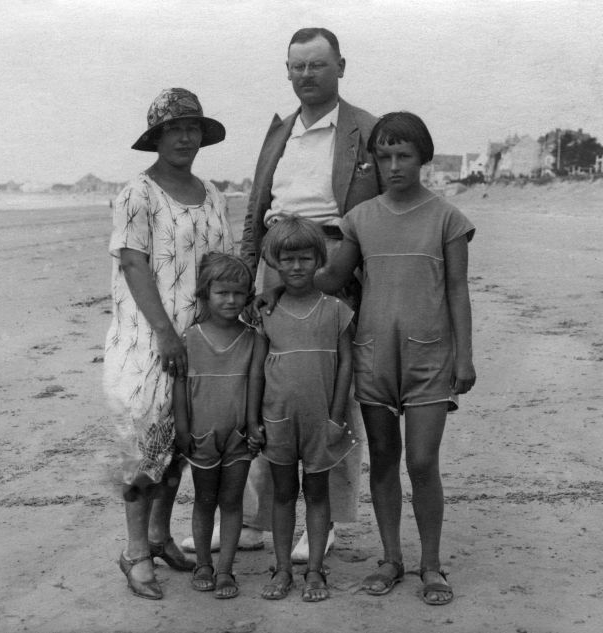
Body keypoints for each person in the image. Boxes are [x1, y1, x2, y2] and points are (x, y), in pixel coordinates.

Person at [181, 26, 384, 562]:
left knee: (328, 388)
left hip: (339, 263)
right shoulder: (281, 131)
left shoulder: (367, 129)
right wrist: (249, 276)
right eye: (297, 66)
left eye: (317, 65)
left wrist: (358, 276)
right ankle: (249, 520)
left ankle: (330, 520)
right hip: (277, 259)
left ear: (341, 65)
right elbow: (255, 212)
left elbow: (382, 211)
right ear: (287, 71)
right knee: (268, 387)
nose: (306, 76)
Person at [314, 112, 477, 606]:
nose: (393, 165)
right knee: (384, 460)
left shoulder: (448, 218)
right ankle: (391, 557)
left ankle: (431, 564)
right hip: (374, 357)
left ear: (423, 157)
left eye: (403, 155)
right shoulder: (360, 219)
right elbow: (330, 277)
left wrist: (464, 358)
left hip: (430, 358)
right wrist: (285, 270)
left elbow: (457, 289)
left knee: (423, 461)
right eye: (383, 157)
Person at [103, 87, 234, 601]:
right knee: (143, 448)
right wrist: (165, 334)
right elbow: (133, 263)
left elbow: (224, 267)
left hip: (200, 338)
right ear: (157, 138)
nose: (184, 137)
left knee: (181, 442)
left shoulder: (215, 194)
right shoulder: (138, 192)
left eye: (192, 128)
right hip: (147, 341)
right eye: (173, 129)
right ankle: (135, 550)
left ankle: (160, 535)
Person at [251, 216, 358, 602]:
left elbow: (346, 363)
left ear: (320, 260)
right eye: (288, 259)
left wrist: (337, 416)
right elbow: (256, 370)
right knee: (282, 494)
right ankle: (282, 569)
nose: (296, 266)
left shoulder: (336, 309)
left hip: (321, 420)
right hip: (276, 418)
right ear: (275, 263)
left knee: (317, 494)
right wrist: (252, 420)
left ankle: (314, 570)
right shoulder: (267, 312)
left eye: (305, 258)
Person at [172, 253, 266, 600]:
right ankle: (203, 564)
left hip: (239, 436)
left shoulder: (254, 338)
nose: (231, 300)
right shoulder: (189, 338)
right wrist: (183, 431)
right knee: (204, 499)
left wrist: (254, 425)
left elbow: (256, 383)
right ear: (204, 294)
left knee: (231, 501)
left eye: (239, 294)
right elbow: (179, 387)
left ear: (248, 296)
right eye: (222, 293)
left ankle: (225, 569)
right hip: (201, 436)